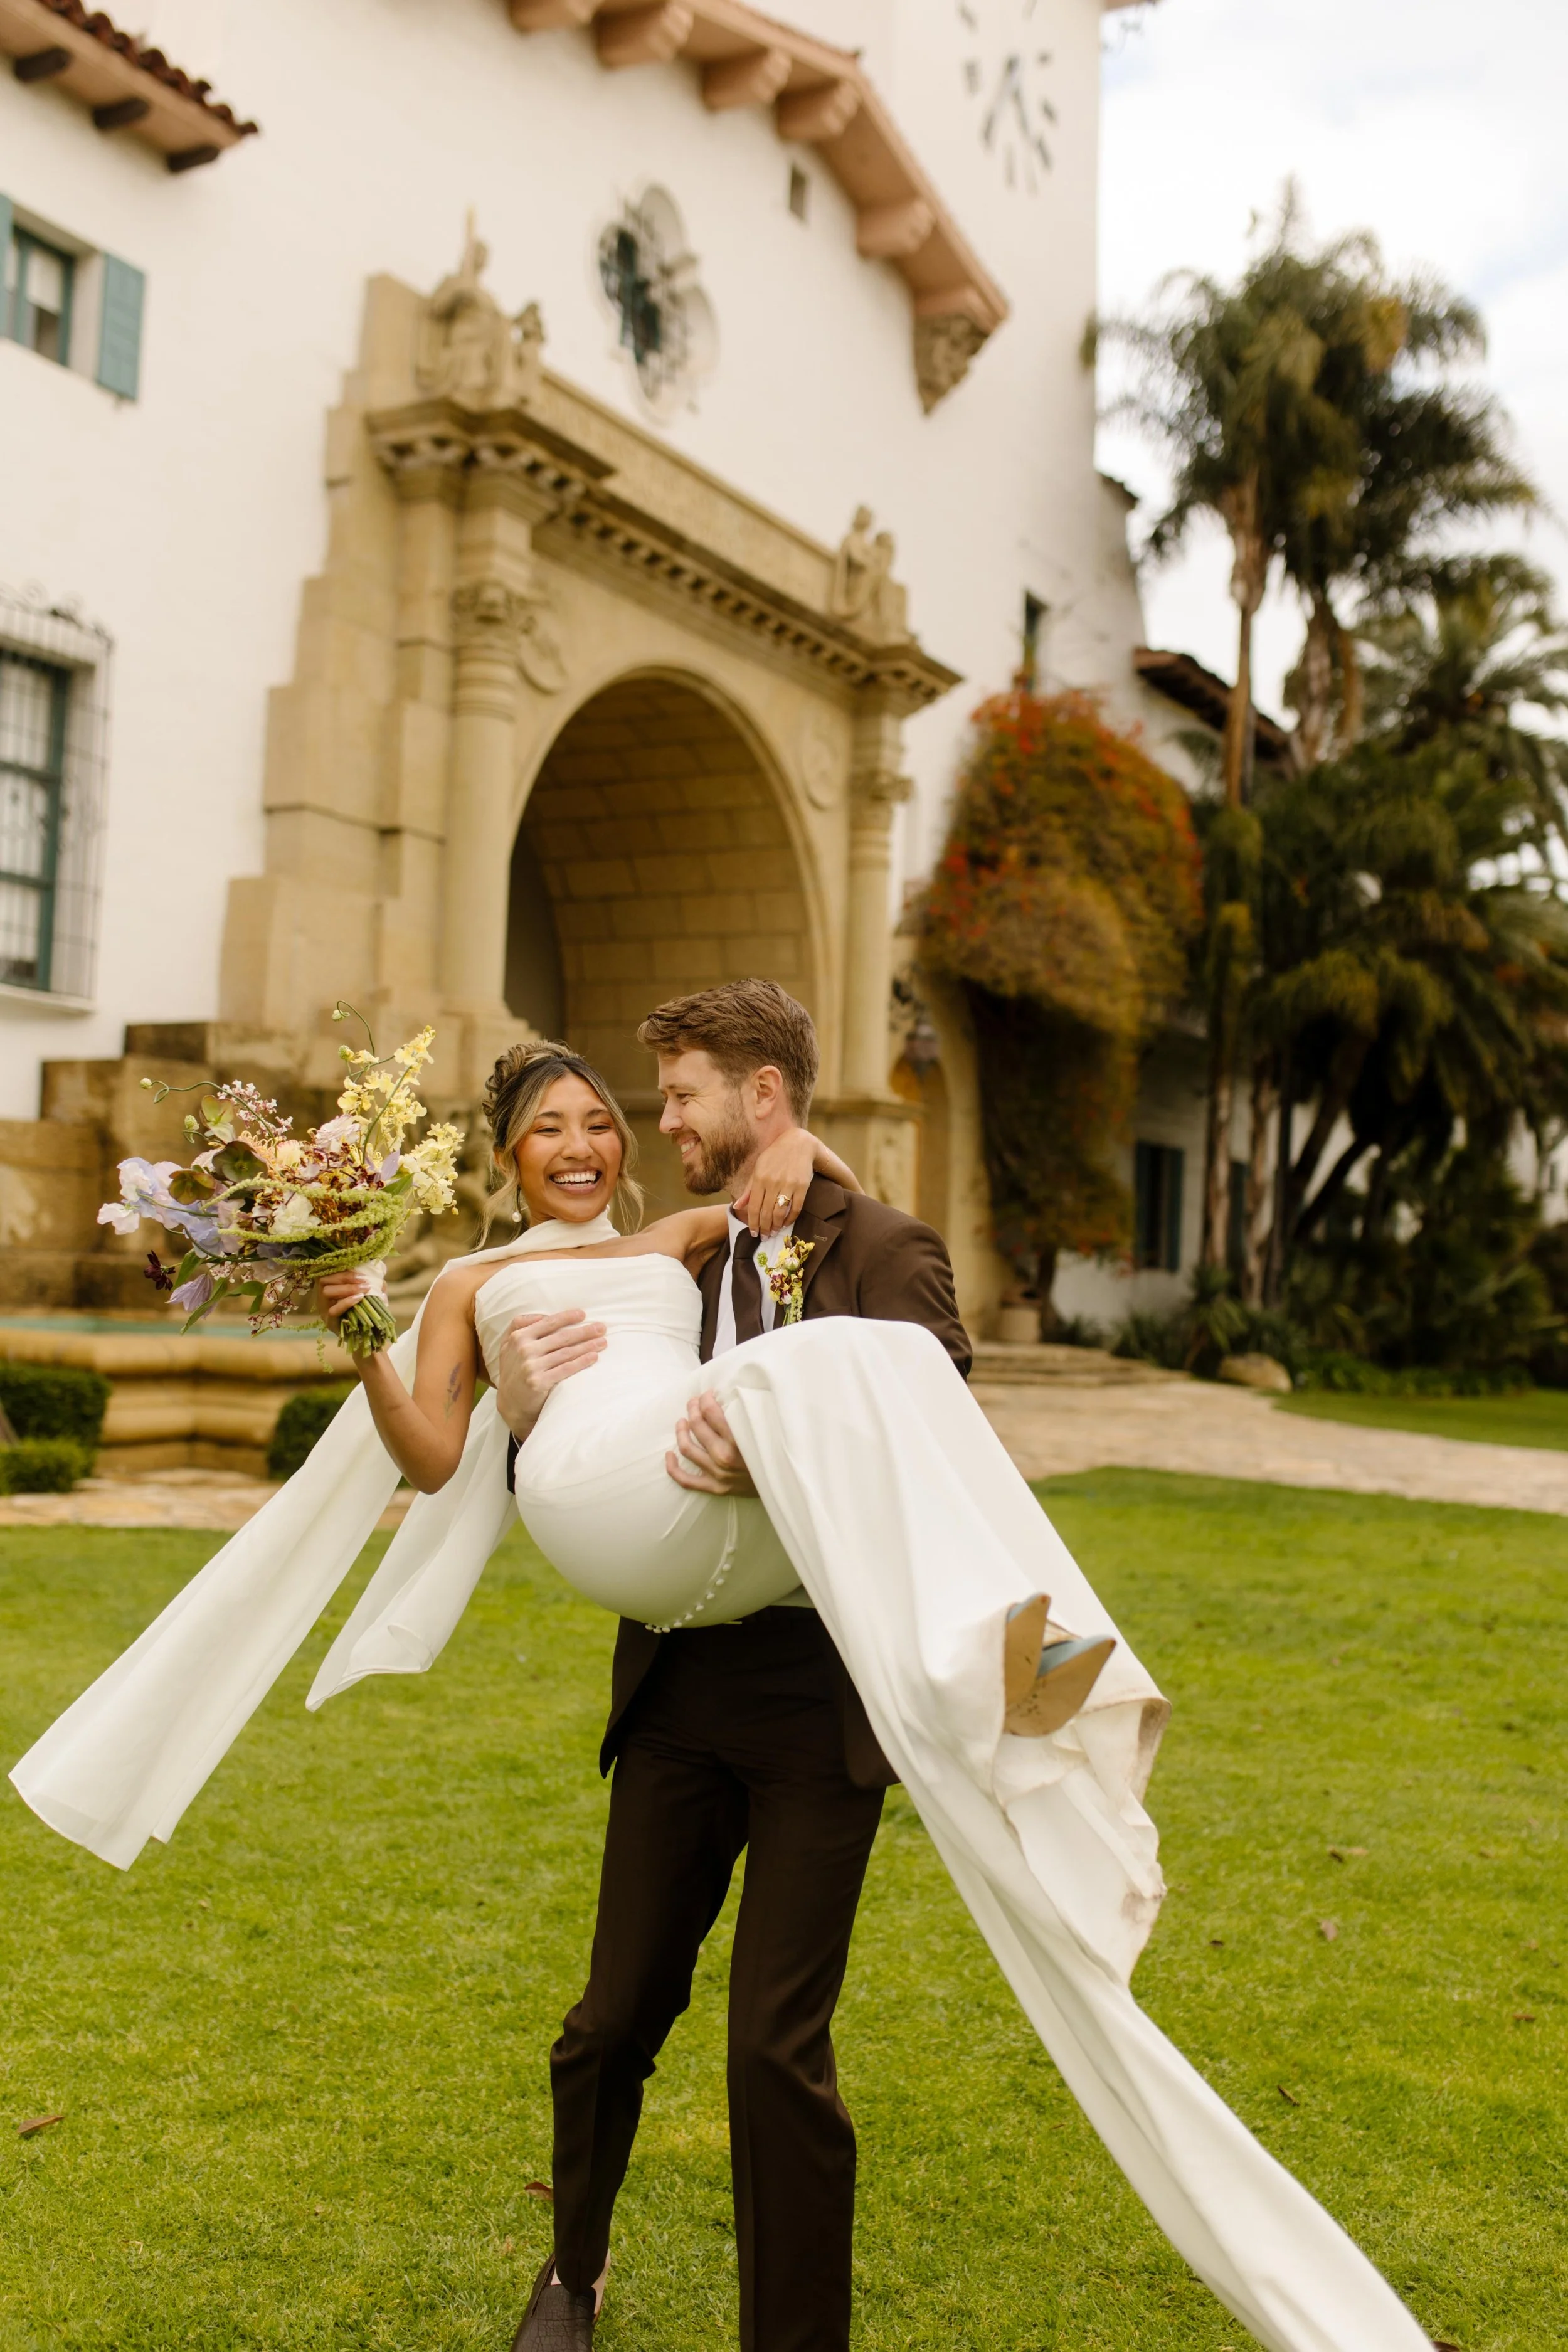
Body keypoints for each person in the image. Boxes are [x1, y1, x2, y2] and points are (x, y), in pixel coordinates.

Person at [9, 985, 1434, 2352]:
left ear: (757, 1098)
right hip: (679, 1695)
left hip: (818, 1710)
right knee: (609, 2020)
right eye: (584, 1121)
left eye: (664, 1105)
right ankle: (573, 2264)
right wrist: (498, 1398)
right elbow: (531, 1432)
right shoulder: (648, 1259)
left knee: (772, 2052)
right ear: (507, 1158)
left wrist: (808, 1190)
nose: (631, 1133)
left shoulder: (859, 1242)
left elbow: (928, 1414)